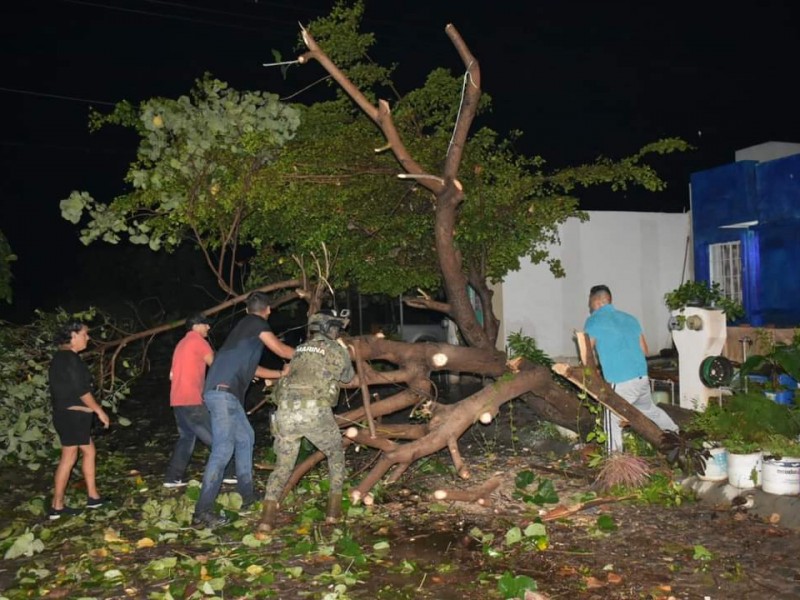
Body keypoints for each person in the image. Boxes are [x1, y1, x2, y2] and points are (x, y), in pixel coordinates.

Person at [192, 291, 294, 528]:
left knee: (246, 437)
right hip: (223, 393)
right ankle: (202, 511)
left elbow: (255, 368)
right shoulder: (255, 323)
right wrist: (311, 353)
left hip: (226, 394)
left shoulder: (243, 329)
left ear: (248, 308)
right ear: (267, 310)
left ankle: (247, 496)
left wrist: (280, 375)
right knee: (223, 449)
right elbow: (280, 350)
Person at [259, 309, 355, 532]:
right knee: (336, 453)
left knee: (283, 466)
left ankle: (266, 519)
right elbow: (347, 377)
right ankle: (333, 511)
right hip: (314, 412)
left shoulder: (300, 349)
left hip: (285, 414)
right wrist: (343, 351)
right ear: (330, 329)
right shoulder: (333, 348)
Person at [583, 284, 679, 453]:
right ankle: (677, 433)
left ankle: (615, 461)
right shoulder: (630, 318)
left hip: (621, 381)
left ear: (596, 301)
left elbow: (587, 354)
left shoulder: (593, 321)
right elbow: (644, 350)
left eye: (590, 302)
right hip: (641, 376)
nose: (590, 307)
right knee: (649, 410)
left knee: (611, 417)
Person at [163, 313, 236, 488]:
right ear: (196, 326)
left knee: (186, 438)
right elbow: (215, 365)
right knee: (217, 437)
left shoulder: (181, 344)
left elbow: (171, 374)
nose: (208, 328)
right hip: (191, 399)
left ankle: (172, 478)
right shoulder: (197, 341)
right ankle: (229, 473)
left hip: (177, 399)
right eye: (205, 324)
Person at [48, 320, 110, 519]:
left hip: (70, 415)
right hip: (72, 416)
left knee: (89, 451)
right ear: (73, 336)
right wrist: (99, 411)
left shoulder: (61, 358)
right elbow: (81, 391)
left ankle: (93, 497)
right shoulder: (69, 359)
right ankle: (57, 505)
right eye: (85, 334)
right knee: (69, 457)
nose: (88, 337)